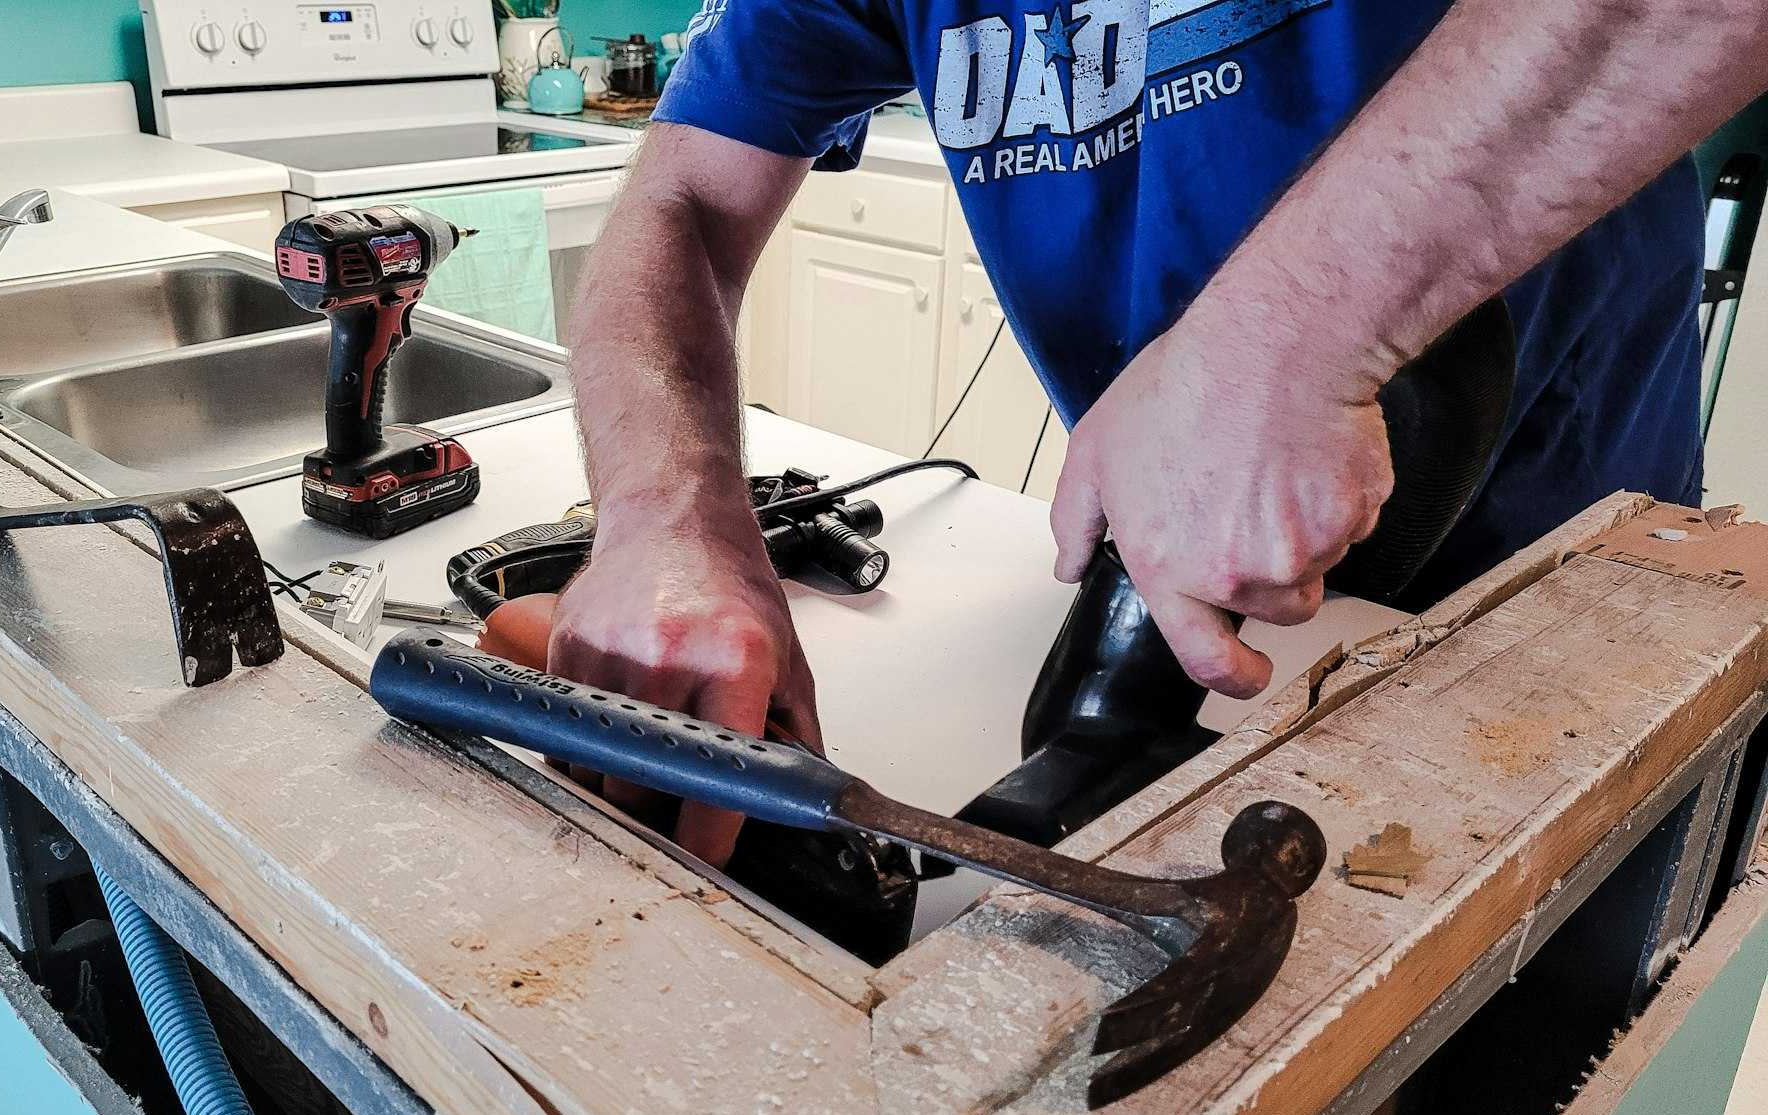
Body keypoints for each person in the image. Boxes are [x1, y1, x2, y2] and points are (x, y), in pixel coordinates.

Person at [553, 0, 1768, 866]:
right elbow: (685, 200)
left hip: (1549, 606)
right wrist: (669, 515)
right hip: (1183, 600)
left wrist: (1279, 337)